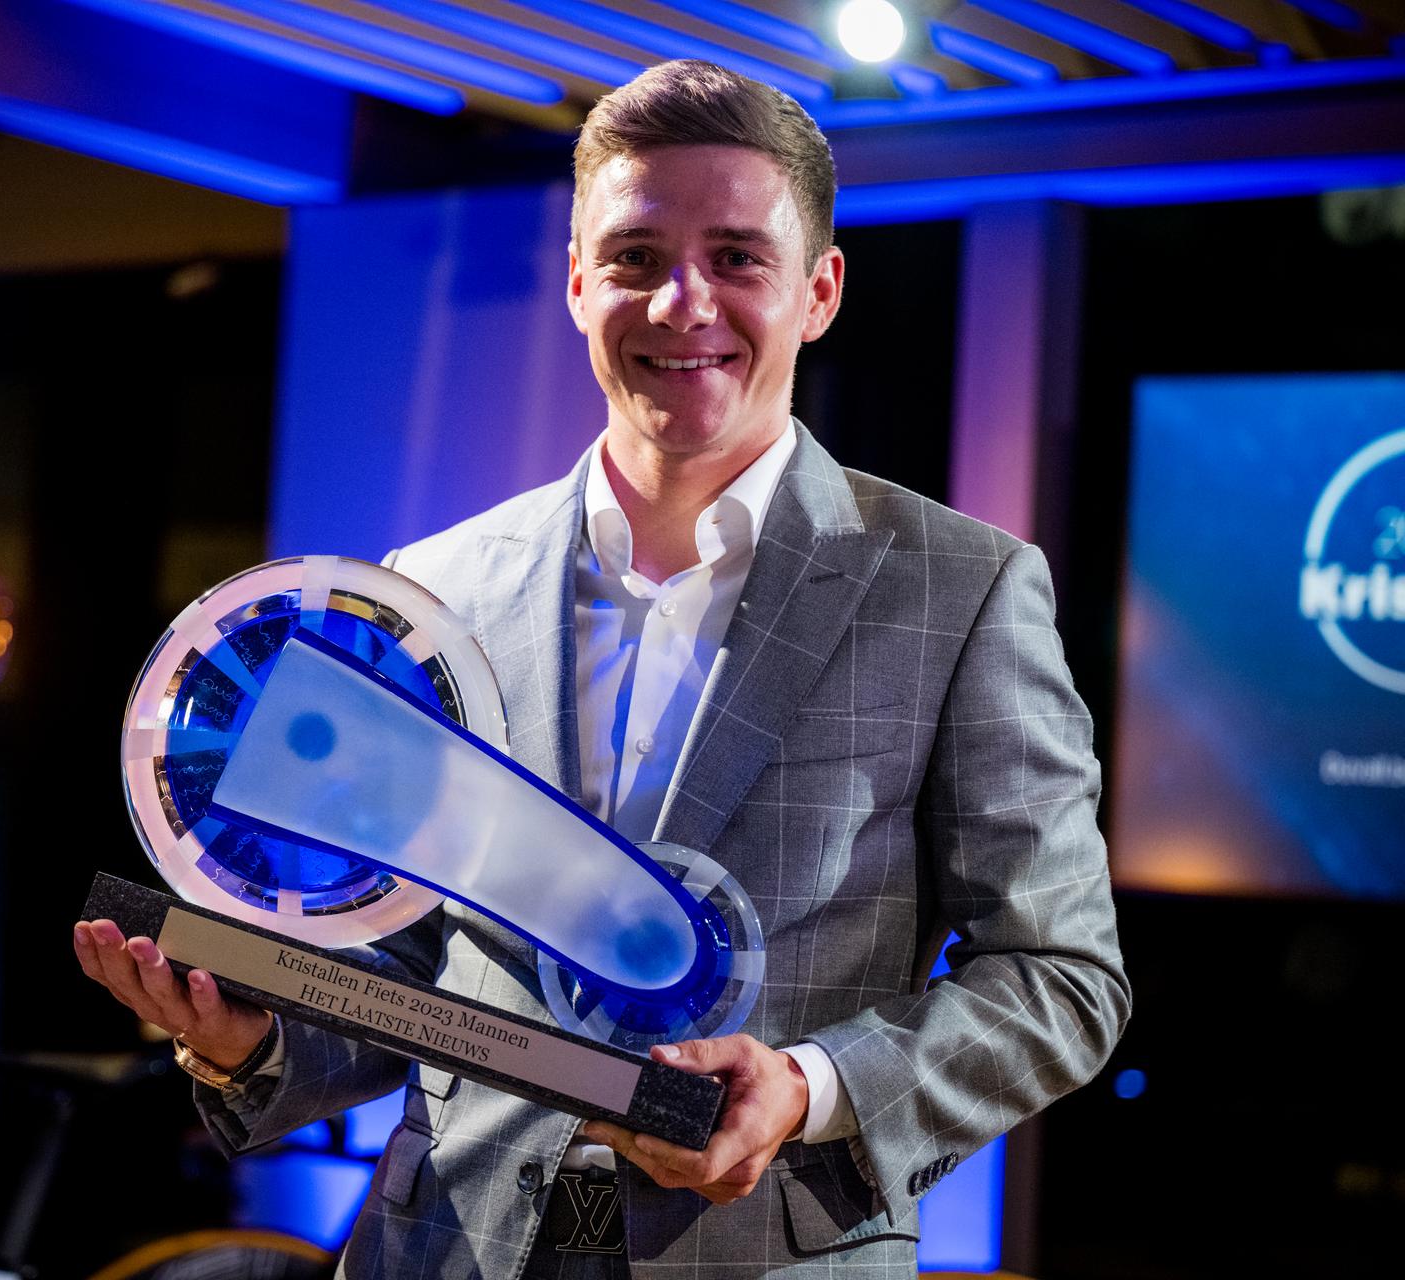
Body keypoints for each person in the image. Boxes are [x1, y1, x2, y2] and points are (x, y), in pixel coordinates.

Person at [73, 59, 1130, 1278]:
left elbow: (1062, 978)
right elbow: (414, 962)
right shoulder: (437, 584)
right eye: (635, 257)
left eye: (738, 256)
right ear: (578, 280)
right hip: (443, 1252)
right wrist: (254, 1034)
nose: (685, 303)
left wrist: (807, 1085)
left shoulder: (960, 588)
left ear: (819, 290)